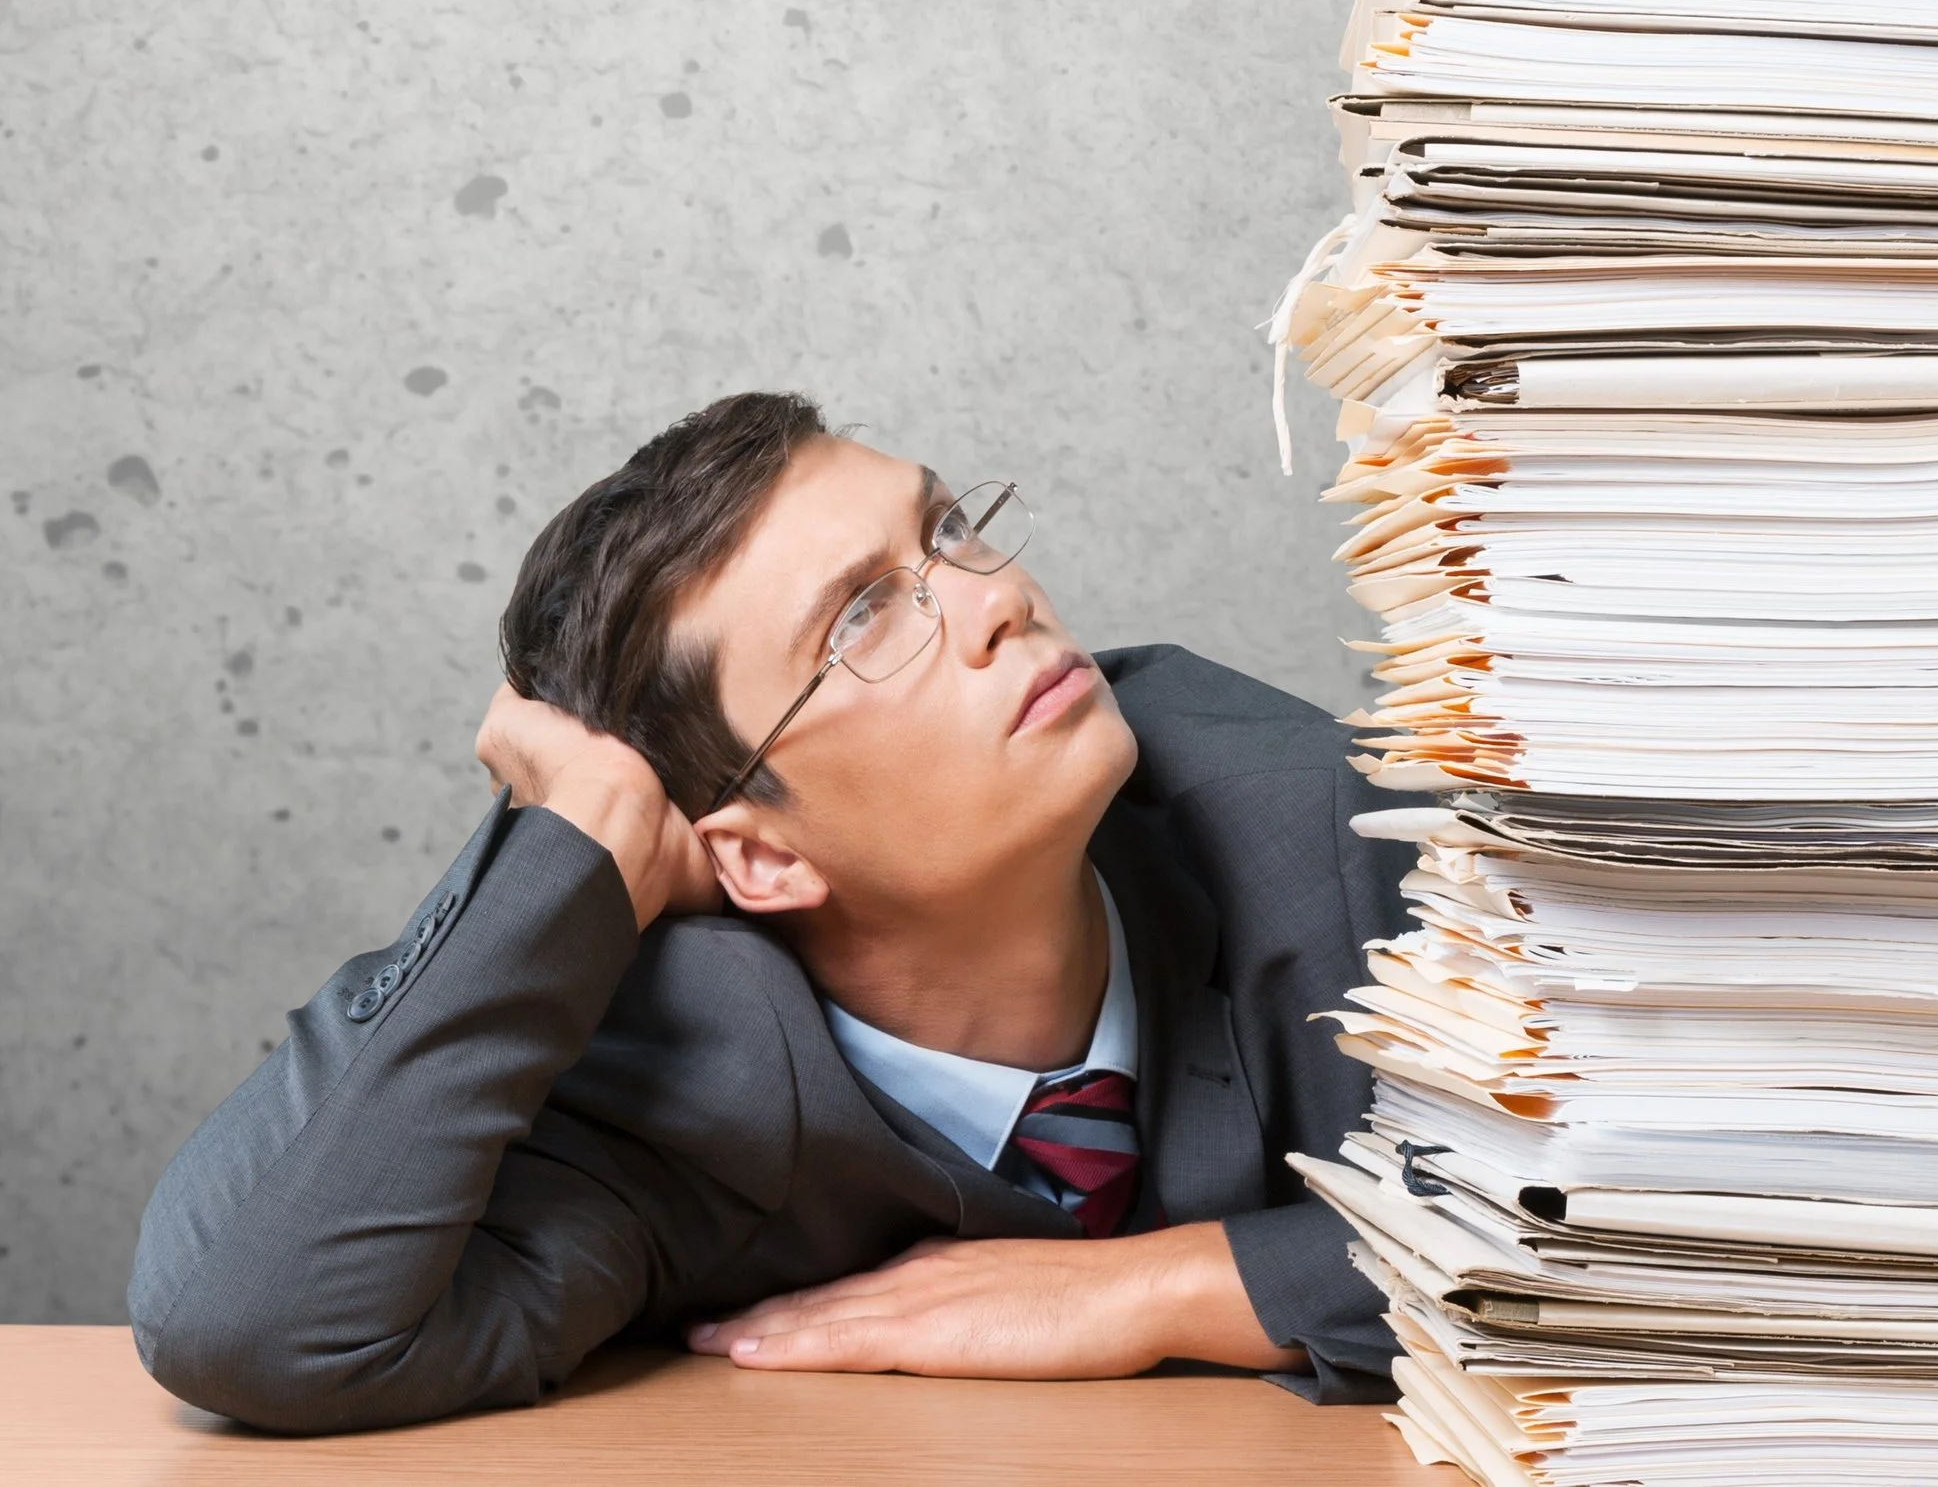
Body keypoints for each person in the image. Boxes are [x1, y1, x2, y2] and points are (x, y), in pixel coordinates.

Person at [127, 391, 1403, 1431]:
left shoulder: (1317, 829)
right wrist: (570, 841)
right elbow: (241, 1318)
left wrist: (1166, 1288)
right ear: (756, 855)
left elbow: (1599, 1246)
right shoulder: (681, 1079)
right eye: (861, 617)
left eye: (947, 530)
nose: (994, 596)